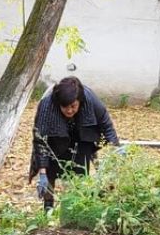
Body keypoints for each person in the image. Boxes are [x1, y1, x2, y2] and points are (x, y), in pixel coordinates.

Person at [30, 76, 119, 210]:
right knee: (50, 173)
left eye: (73, 106)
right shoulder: (47, 106)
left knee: (79, 176)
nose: (69, 110)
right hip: (55, 140)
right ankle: (47, 208)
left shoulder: (91, 100)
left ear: (80, 102)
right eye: (65, 107)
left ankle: (75, 208)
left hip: (81, 139)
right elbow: (40, 140)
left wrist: (115, 151)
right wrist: (42, 173)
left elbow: (107, 128)